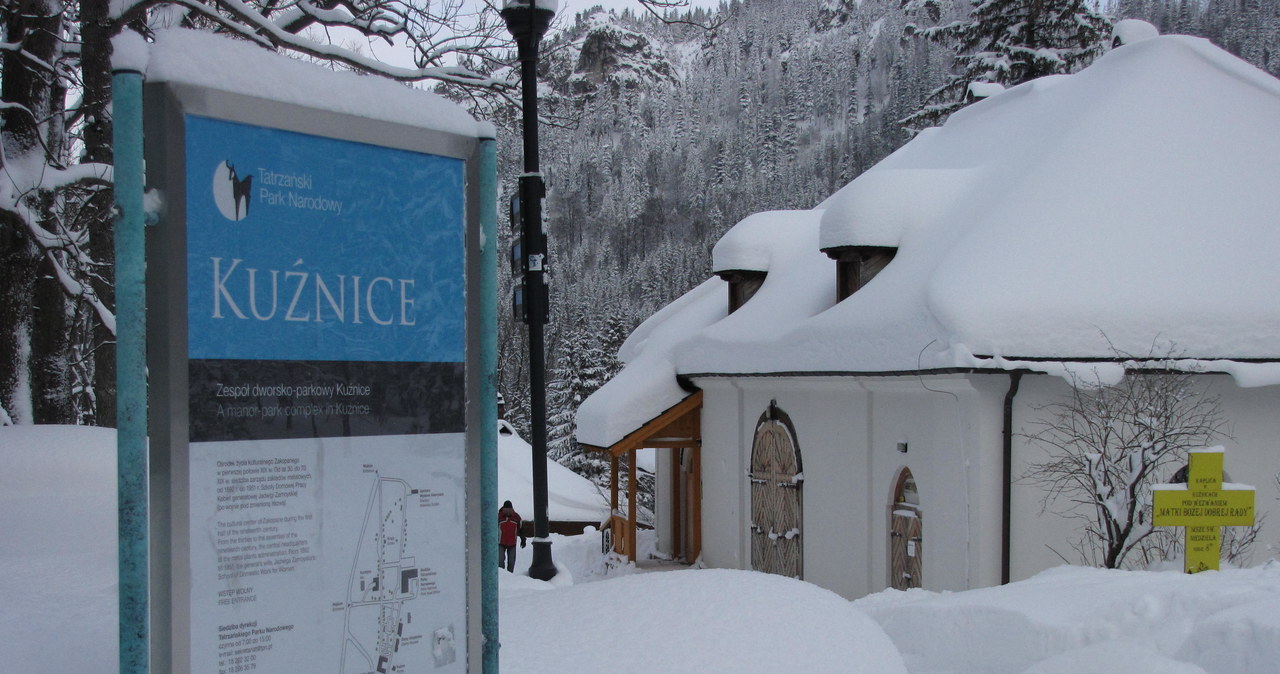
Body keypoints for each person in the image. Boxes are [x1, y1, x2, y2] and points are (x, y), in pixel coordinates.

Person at [498, 500, 526, 573]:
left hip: (512, 543)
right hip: (501, 542)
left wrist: (523, 539)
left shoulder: (516, 517)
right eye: (506, 509)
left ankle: (510, 576)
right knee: (500, 561)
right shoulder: (499, 517)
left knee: (511, 562)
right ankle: (502, 574)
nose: (507, 511)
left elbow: (521, 528)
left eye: (509, 509)